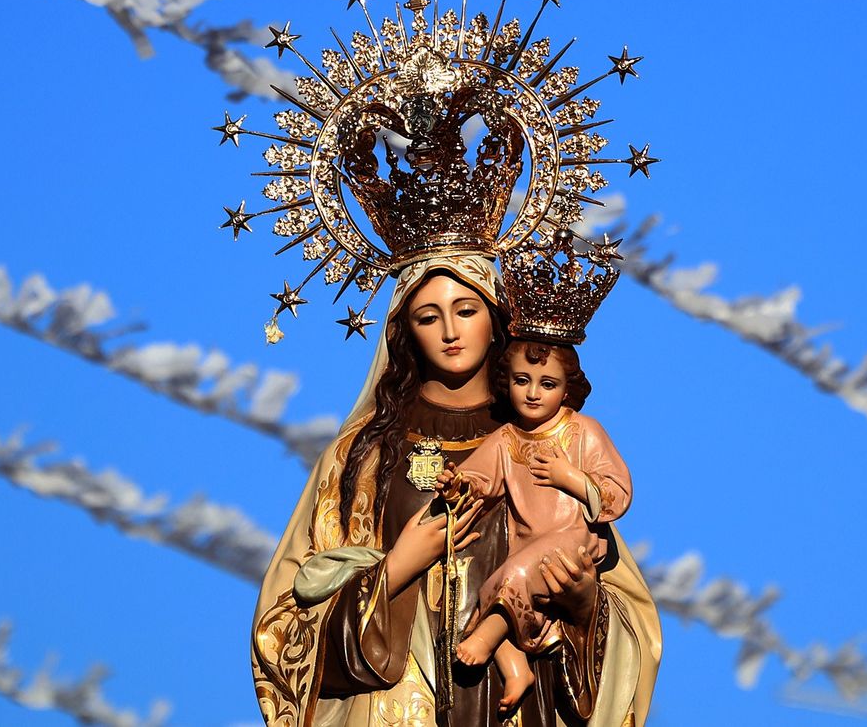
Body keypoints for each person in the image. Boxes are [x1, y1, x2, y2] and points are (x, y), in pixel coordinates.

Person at [251, 255, 659, 726]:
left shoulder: (548, 440)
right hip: (402, 703)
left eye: (466, 310)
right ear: (405, 330)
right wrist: (398, 565)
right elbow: (282, 630)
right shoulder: (362, 456)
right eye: (428, 317)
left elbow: (630, 613)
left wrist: (586, 606)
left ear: (495, 319)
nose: (450, 331)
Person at [442, 340, 632, 714]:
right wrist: (457, 485)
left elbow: (618, 492)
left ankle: (485, 642)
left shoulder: (582, 431)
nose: (532, 393)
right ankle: (517, 672)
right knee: (487, 598)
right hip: (528, 546)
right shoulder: (506, 440)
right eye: (521, 380)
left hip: (574, 542)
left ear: (567, 388)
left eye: (547, 384)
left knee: (513, 578)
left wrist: (571, 478)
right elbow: (480, 479)